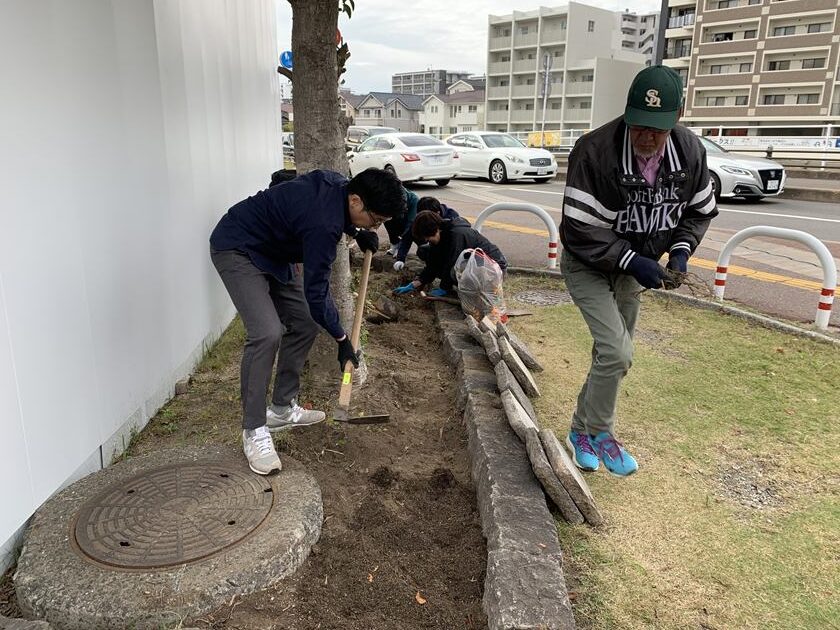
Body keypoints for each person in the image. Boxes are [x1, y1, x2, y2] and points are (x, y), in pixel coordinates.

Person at [559, 65, 718, 477]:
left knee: (612, 357)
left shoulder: (690, 152)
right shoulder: (594, 151)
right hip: (588, 263)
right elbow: (578, 229)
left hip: (634, 267)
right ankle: (599, 432)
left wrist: (681, 251)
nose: (647, 137)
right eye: (639, 126)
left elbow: (698, 212)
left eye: (657, 129)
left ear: (677, 117)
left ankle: (585, 432)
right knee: (617, 350)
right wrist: (634, 261)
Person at [210, 168, 406, 475]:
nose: (377, 226)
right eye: (376, 220)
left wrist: (357, 232)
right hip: (238, 247)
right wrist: (342, 340)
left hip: (274, 251)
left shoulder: (339, 185)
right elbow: (317, 294)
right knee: (266, 333)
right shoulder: (323, 226)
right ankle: (253, 429)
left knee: (303, 322)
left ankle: (281, 408)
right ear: (355, 201)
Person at [393, 210, 506, 297]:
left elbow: (452, 262)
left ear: (436, 229)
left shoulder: (457, 235)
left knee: (454, 270)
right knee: (426, 251)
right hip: (474, 264)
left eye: (429, 237)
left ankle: (473, 291)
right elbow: (433, 263)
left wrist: (444, 287)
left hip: (493, 270)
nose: (428, 240)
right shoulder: (442, 235)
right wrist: (416, 282)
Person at [392, 196, 469, 270]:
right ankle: (431, 264)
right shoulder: (421, 219)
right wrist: (400, 259)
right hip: (432, 245)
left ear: (437, 213)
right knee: (423, 251)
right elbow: (407, 238)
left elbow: (456, 244)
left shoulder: (451, 219)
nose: (423, 218)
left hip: (450, 247)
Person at [383, 187, 419, 258]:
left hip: (409, 218)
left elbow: (410, 224)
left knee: (409, 228)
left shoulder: (414, 200)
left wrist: (402, 249)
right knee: (387, 219)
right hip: (396, 212)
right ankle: (394, 243)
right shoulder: (388, 194)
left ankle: (401, 247)